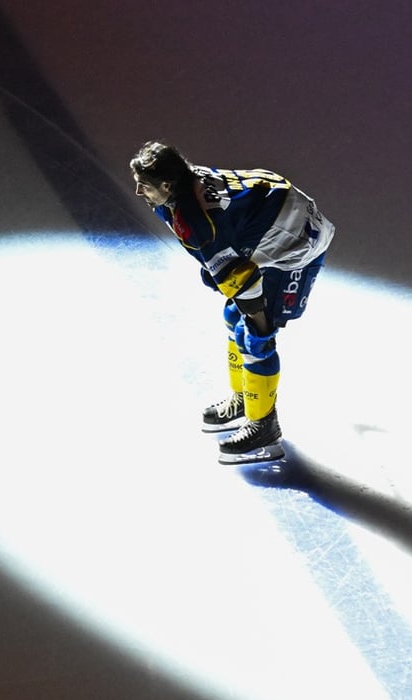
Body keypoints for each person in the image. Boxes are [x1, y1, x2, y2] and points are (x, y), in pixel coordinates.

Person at [130, 140, 334, 464]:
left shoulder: (197, 221)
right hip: (281, 222)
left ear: (166, 184)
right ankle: (247, 397)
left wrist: (260, 325)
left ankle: (264, 425)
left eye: (144, 186)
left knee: (253, 335)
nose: (139, 193)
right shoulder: (183, 185)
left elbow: (243, 277)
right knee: (234, 316)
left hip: (295, 248)